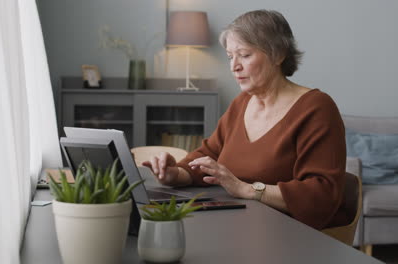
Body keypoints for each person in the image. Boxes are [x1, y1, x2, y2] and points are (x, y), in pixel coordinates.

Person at [143, 9, 348, 230]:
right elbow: (208, 156)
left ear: (278, 54)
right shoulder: (242, 103)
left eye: (245, 55)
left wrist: (246, 189)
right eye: (231, 56)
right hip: (238, 223)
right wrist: (176, 174)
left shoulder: (316, 108)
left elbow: (321, 195)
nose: (234, 66)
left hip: (290, 233)